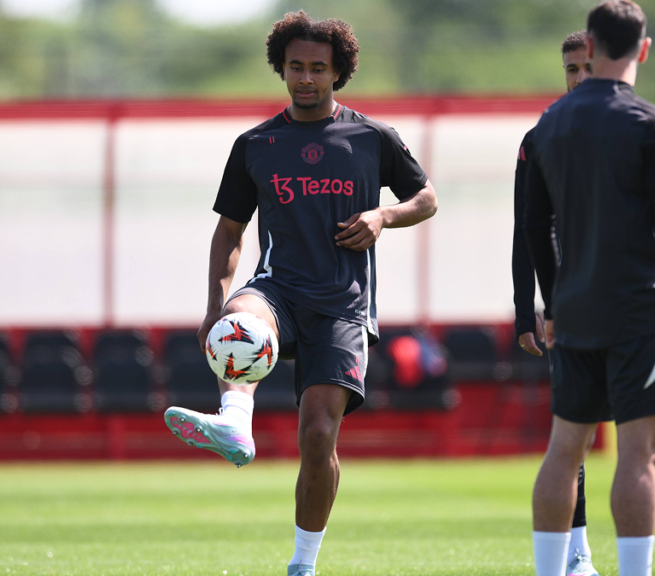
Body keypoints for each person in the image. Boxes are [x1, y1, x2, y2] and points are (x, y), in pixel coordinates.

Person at [162, 11, 437, 576]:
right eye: (295, 67)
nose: (305, 78)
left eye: (317, 68)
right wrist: (214, 308)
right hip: (277, 290)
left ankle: (303, 565)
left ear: (338, 72)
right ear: (280, 68)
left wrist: (383, 215)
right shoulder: (256, 144)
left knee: (316, 436)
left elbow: (426, 198)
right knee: (239, 322)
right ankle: (235, 420)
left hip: (343, 306)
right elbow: (230, 231)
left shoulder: (372, 138)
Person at [522, 2, 655, 575]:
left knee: (564, 449)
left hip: (574, 312)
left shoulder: (548, 126)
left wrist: (552, 306)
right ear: (643, 49)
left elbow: (535, 227)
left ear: (592, 46)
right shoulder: (652, 124)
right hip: (637, 312)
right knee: (640, 453)